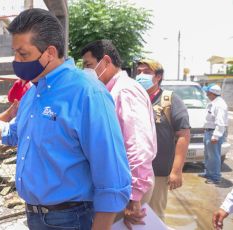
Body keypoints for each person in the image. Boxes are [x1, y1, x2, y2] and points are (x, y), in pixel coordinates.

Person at [0, 8, 131, 230]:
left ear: (50, 52)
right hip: (35, 216)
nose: (16, 61)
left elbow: (111, 174)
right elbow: (14, 134)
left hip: (71, 218)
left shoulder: (86, 92)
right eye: (15, 53)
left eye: (23, 54)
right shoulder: (33, 93)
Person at [81, 40, 157, 229]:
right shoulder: (112, 90)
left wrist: (134, 195)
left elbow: (138, 143)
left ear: (106, 61)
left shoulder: (124, 91)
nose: (86, 72)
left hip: (128, 188)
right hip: (121, 185)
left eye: (89, 65)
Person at [135, 59, 191, 221]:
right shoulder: (134, 97)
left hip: (158, 172)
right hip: (134, 171)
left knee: (153, 216)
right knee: (131, 217)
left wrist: (176, 171)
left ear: (158, 76)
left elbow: (183, 135)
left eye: (146, 72)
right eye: (138, 72)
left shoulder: (170, 100)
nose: (141, 76)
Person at [200, 84, 228, 184]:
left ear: (212, 93)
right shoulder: (213, 103)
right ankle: (208, 173)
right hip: (209, 131)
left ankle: (215, 177)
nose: (206, 94)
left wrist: (215, 136)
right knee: (208, 155)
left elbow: (221, 123)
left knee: (214, 156)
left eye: (207, 92)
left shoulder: (219, 105)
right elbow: (210, 117)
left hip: (213, 133)